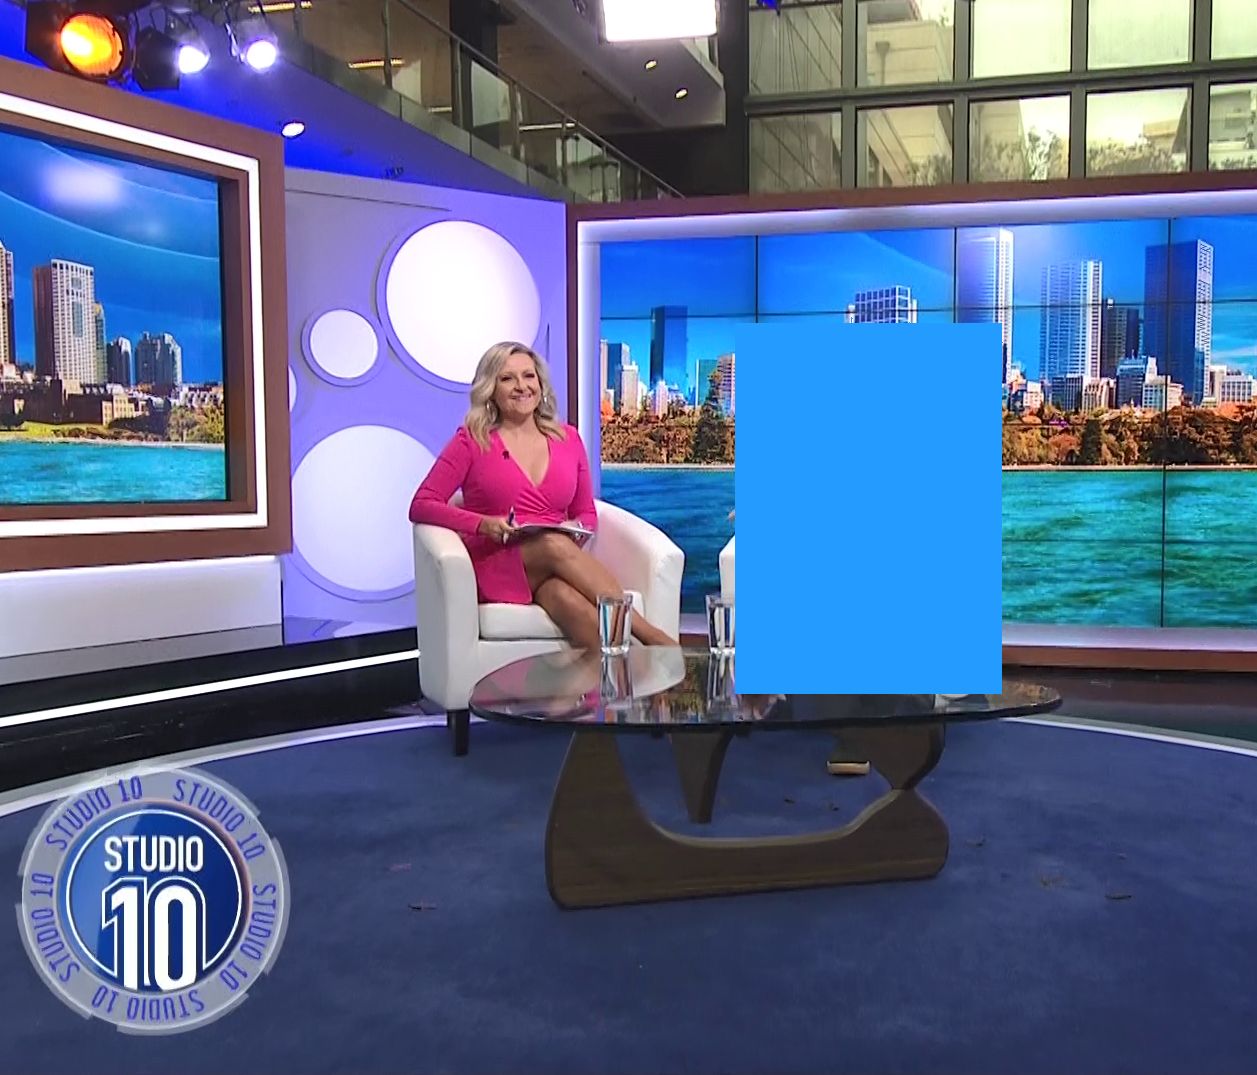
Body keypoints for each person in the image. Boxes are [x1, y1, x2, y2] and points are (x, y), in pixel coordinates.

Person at [408, 341, 676, 651]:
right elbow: (422, 504)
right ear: (491, 389)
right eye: (507, 378)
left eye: (528, 376)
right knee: (552, 544)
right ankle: (654, 638)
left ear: (540, 383)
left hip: (553, 565)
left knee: (566, 599)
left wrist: (575, 532)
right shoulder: (472, 440)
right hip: (496, 562)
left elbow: (586, 513)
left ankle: (617, 677)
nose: (521, 386)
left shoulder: (568, 438)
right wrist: (484, 524)